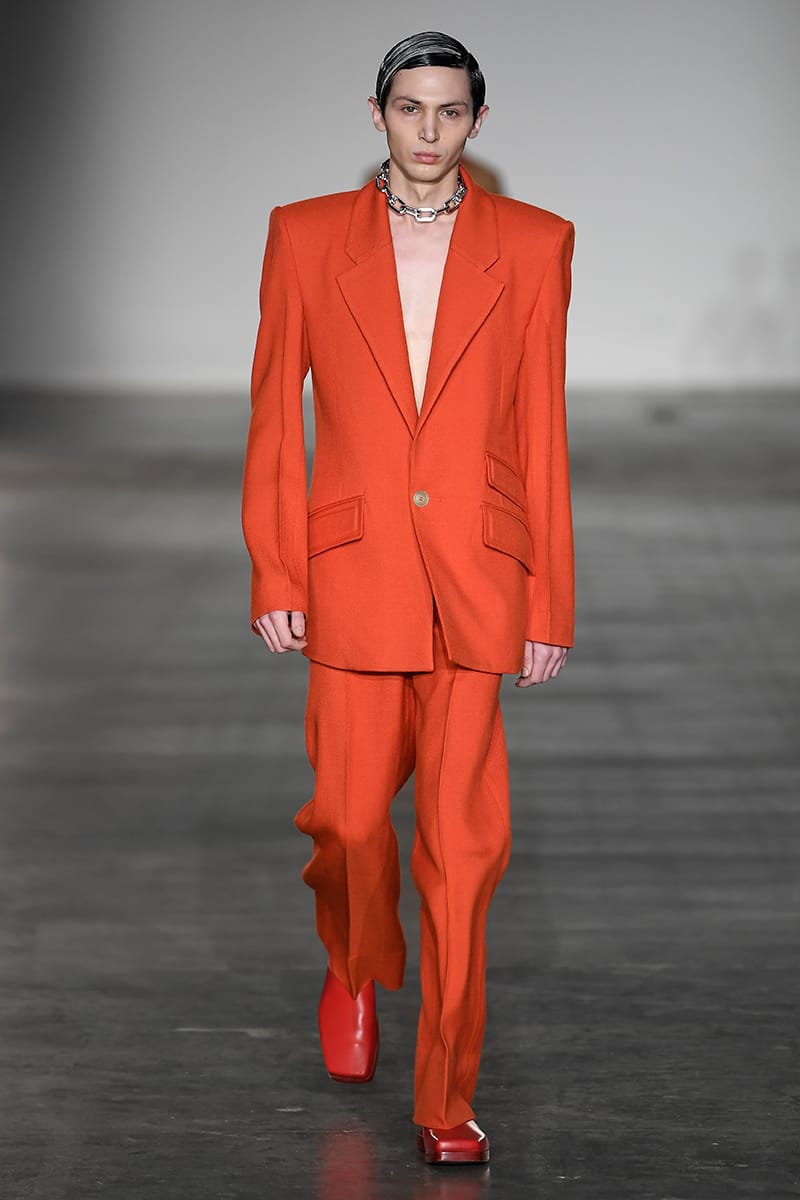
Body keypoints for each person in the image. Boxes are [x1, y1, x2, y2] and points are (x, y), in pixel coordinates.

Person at [241, 30, 575, 1165]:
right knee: (346, 824)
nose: (428, 130)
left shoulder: (536, 244)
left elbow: (540, 429)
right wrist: (277, 568)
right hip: (353, 573)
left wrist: (547, 601)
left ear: (476, 120)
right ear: (377, 113)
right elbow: (272, 415)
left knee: (463, 856)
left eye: (449, 110)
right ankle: (352, 961)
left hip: (478, 581)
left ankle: (446, 1101)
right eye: (409, 108)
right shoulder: (303, 236)